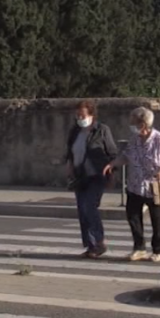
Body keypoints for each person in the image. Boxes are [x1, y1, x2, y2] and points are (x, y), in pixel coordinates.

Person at [104, 107, 160, 263]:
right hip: (135, 185)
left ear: (143, 124)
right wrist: (113, 164)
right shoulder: (135, 140)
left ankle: (159, 250)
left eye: (134, 122)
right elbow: (126, 156)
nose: (131, 125)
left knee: (159, 220)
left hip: (155, 186)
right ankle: (139, 248)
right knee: (133, 217)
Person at [65, 100, 118, 259]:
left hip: (97, 174)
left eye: (82, 114)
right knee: (82, 210)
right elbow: (70, 151)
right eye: (77, 115)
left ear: (91, 115)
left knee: (90, 206)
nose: (79, 117)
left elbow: (112, 152)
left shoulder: (101, 130)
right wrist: (69, 165)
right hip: (80, 175)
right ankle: (90, 245)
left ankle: (99, 242)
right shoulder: (75, 131)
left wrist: (111, 172)